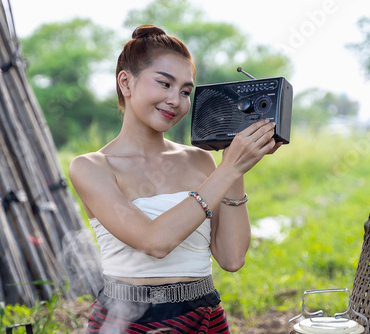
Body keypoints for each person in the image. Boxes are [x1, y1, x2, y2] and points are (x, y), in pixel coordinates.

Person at [69, 24, 282, 334]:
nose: (175, 100)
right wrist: (228, 169)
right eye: (164, 83)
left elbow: (232, 258)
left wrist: (233, 167)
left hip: (203, 319)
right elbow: (155, 242)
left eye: (185, 91)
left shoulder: (199, 160)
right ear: (126, 83)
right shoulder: (91, 168)